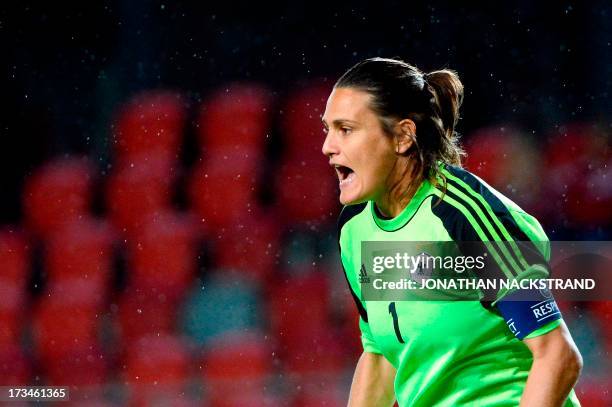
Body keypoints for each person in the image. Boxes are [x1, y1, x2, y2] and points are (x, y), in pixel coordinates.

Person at [321, 57, 582, 406]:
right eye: (328, 129)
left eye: (346, 129)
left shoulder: (463, 216)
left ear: (402, 137)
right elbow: (381, 356)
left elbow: (557, 355)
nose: (328, 146)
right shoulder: (355, 229)